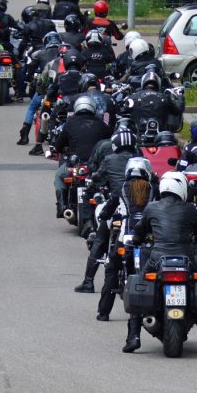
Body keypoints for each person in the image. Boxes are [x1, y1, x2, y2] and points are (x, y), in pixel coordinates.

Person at [126, 171, 197, 354]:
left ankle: (133, 337)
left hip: (157, 257)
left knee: (140, 283)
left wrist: (136, 240)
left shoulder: (151, 207)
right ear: (181, 188)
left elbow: (139, 232)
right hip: (187, 257)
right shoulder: (190, 209)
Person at [75, 126, 140, 294]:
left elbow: (97, 177)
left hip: (116, 205)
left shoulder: (110, 159)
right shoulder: (140, 159)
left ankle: (88, 282)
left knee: (100, 239)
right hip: (139, 207)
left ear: (115, 144)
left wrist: (91, 184)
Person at [94, 157, 156, 320]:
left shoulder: (122, 188)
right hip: (149, 235)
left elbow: (108, 208)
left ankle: (103, 312)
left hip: (126, 233)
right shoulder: (153, 189)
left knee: (112, 268)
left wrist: (103, 215)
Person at [51, 95, 112, 218]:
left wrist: (61, 149)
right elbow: (109, 143)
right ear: (93, 108)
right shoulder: (101, 124)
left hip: (76, 165)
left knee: (59, 176)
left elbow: (59, 145)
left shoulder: (70, 123)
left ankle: (62, 207)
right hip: (95, 166)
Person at [126, 70, 183, 135]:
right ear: (158, 83)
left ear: (143, 83)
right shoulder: (165, 97)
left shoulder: (133, 97)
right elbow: (178, 109)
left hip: (140, 134)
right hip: (161, 135)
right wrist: (180, 96)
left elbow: (124, 110)